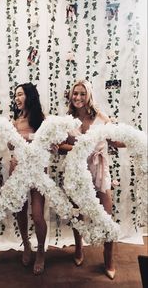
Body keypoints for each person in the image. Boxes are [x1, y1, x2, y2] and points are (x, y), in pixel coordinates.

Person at [58, 79, 125, 280]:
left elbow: (114, 140)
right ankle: (79, 249)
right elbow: (61, 145)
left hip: (99, 170)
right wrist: (80, 148)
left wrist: (131, 140)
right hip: (77, 172)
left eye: (82, 93)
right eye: (75, 93)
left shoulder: (101, 117)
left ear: (89, 96)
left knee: (106, 214)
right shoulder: (67, 119)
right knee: (77, 213)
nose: (78, 97)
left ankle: (108, 258)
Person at [8, 82, 46, 275]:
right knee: (20, 212)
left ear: (29, 96)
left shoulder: (42, 119)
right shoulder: (15, 122)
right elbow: (10, 146)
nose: (17, 98)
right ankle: (26, 245)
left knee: (38, 216)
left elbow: (48, 145)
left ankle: (41, 250)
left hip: (38, 172)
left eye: (20, 94)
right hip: (19, 172)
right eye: (15, 95)